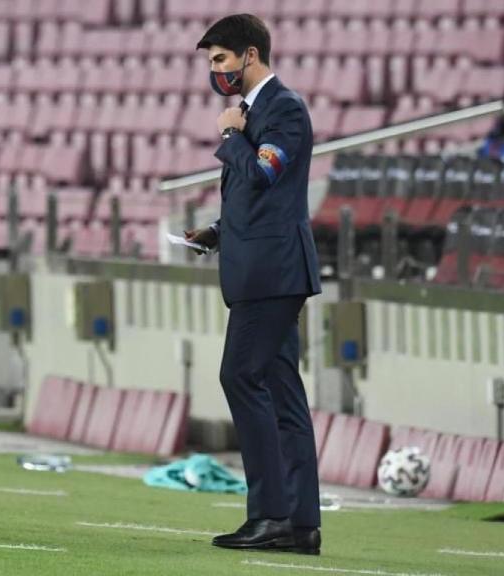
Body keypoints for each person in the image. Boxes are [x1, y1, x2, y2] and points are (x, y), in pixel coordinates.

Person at [184, 14, 323, 555]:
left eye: (220, 59)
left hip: (273, 273)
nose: (215, 71)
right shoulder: (255, 112)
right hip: (261, 265)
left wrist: (230, 133)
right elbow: (261, 197)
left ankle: (271, 513)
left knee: (239, 375)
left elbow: (265, 172)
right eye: (211, 62)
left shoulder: (282, 108)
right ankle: (300, 524)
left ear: (249, 54)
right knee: (282, 391)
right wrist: (216, 234)